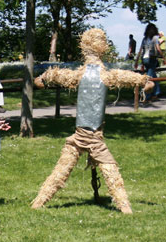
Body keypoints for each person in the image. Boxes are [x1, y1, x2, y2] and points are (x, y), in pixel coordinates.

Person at [31, 26, 146, 213]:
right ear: (103, 47)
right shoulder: (105, 75)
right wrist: (144, 81)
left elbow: (57, 74)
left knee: (61, 170)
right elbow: (125, 77)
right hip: (90, 135)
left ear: (83, 46)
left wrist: (44, 77)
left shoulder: (81, 74)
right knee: (110, 171)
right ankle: (126, 209)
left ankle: (38, 203)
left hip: (83, 134)